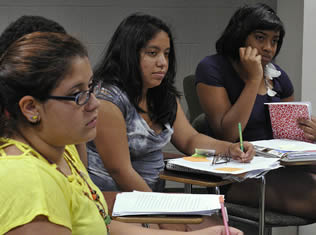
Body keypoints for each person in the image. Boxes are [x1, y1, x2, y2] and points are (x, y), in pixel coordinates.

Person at [0, 31, 243, 235]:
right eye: (78, 94)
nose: (94, 103)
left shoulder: (61, 151)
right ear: (31, 108)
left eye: (90, 87)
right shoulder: (27, 181)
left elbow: (104, 225)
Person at [86, 12, 254, 194]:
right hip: (112, 201)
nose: (162, 63)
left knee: (217, 221)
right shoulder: (107, 100)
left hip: (150, 199)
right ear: (128, 55)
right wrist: (160, 211)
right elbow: (119, 170)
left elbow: (190, 139)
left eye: (166, 54)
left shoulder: (162, 96)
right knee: (208, 222)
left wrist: (229, 148)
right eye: (152, 53)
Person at [195, 3, 316, 219]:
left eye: (275, 41)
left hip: (281, 167)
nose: (269, 47)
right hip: (236, 175)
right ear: (240, 36)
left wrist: (310, 135)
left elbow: (289, 138)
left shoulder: (279, 76)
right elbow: (228, 134)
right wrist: (253, 80)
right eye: (260, 38)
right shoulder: (213, 68)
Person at [0, 15, 89, 166]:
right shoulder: (15, 165)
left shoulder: (59, 130)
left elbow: (83, 174)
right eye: (75, 93)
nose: (94, 103)